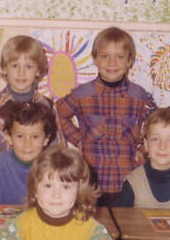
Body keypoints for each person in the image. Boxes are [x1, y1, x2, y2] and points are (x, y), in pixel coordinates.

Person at [56, 27, 155, 205]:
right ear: (95, 59)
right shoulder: (82, 94)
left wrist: (142, 148)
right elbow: (58, 114)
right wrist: (78, 140)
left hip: (128, 179)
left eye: (119, 57)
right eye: (105, 56)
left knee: (126, 221)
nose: (112, 62)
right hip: (91, 179)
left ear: (129, 61)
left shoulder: (139, 96)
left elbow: (155, 124)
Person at [0, 34, 56, 179]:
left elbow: (57, 153)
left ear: (38, 71)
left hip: (39, 185)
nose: (21, 73)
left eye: (28, 66)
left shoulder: (48, 107)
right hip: (1, 184)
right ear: (5, 68)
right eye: (15, 66)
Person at [0, 101, 56, 216]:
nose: (27, 144)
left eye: (35, 136)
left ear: (46, 139)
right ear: (9, 138)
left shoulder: (54, 166)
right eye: (20, 136)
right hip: (4, 224)